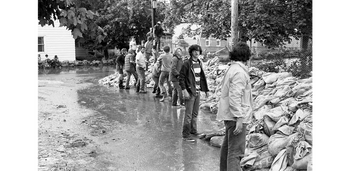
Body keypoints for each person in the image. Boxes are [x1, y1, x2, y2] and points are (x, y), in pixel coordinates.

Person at [216, 42, 254, 171]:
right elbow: (235, 96)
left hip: (229, 115)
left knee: (228, 148)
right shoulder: (239, 73)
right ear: (246, 56)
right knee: (236, 152)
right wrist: (239, 118)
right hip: (235, 117)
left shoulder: (233, 69)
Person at [179, 44, 209, 142]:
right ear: (191, 52)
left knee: (195, 114)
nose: (197, 53)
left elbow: (201, 78)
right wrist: (184, 91)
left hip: (197, 92)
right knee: (188, 115)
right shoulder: (187, 64)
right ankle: (186, 135)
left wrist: (205, 90)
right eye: (195, 51)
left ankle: (193, 131)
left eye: (198, 51)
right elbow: (181, 78)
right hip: (190, 92)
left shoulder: (199, 63)